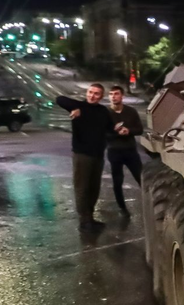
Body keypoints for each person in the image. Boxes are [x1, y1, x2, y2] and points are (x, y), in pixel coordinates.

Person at [56, 83, 113, 230]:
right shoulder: (79, 106)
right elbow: (59, 99)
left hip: (98, 155)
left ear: (101, 96)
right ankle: (84, 220)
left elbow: (111, 128)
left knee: (94, 188)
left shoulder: (103, 111)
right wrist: (74, 109)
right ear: (87, 93)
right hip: (82, 155)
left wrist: (120, 130)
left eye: (96, 94)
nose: (92, 96)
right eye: (90, 92)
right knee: (82, 187)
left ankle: (90, 217)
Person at [106, 85, 144, 215]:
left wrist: (128, 131)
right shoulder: (105, 113)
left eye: (116, 94)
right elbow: (102, 133)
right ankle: (122, 208)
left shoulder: (131, 111)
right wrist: (116, 133)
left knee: (142, 178)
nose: (113, 96)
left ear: (122, 96)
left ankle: (147, 205)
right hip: (114, 151)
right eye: (111, 94)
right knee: (117, 180)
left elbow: (140, 129)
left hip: (130, 151)